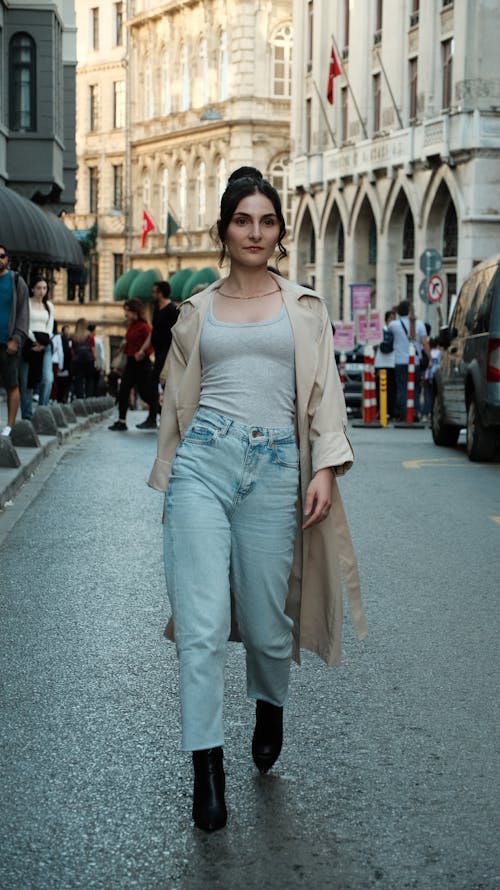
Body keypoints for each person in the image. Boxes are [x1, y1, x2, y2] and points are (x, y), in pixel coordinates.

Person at [148, 168, 367, 832]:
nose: (255, 232)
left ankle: (270, 703)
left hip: (276, 470)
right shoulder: (197, 310)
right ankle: (206, 769)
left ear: (278, 230)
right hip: (202, 467)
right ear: (224, 230)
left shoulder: (303, 306)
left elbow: (325, 390)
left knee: (271, 629)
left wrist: (324, 468)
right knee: (203, 627)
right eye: (243, 220)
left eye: (267, 221)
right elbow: (177, 392)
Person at [135, 281, 178, 430]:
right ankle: (158, 415)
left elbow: (177, 335)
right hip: (158, 352)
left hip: (168, 354)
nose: (152, 294)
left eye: (154, 292)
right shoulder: (156, 309)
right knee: (153, 386)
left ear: (160, 293)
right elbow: (153, 332)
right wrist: (142, 350)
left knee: (159, 385)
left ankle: (159, 417)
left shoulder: (172, 310)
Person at [108, 298, 153, 430]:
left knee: (145, 393)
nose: (125, 314)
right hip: (131, 362)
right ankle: (122, 421)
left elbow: (151, 344)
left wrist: (143, 353)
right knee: (123, 390)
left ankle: (161, 411)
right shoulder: (131, 325)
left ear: (134, 311)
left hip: (142, 363)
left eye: (127, 311)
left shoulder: (144, 326)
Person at [0, 244, 29, 436]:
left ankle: (9, 426)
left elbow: (23, 314)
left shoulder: (16, 281)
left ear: (7, 258)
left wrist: (16, 339)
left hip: (8, 343)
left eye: (1, 256)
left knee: (12, 384)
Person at [19, 277, 54, 420]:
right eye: (39, 288)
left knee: (47, 379)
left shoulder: (49, 306)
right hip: (29, 344)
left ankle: (42, 413)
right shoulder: (26, 303)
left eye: (44, 288)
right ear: (32, 289)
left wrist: (43, 343)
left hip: (44, 345)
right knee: (27, 381)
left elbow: (50, 326)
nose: (42, 291)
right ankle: (27, 417)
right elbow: (23, 323)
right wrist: (35, 341)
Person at [389, 299, 430, 421]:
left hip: (399, 361)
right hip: (415, 362)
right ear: (410, 311)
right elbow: (424, 343)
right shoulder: (419, 324)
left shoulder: (394, 325)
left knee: (401, 388)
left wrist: (394, 312)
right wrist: (430, 357)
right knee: (415, 388)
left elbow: (388, 325)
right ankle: (415, 411)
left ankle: (403, 413)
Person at [374, 309, 396, 419]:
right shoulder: (395, 331)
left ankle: (383, 411)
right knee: (388, 389)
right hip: (389, 363)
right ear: (386, 320)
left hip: (382, 363)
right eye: (391, 319)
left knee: (383, 389)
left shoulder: (380, 331)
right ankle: (386, 412)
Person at [71, 317, 96, 398]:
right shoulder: (90, 335)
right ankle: (89, 397)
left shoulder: (75, 336)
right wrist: (95, 358)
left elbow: (73, 350)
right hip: (88, 360)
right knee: (89, 380)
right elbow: (93, 348)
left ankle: (80, 398)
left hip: (78, 361)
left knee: (78, 380)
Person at [52, 323, 73, 403]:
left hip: (66, 365)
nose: (67, 332)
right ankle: (58, 398)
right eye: (66, 330)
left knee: (64, 383)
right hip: (60, 364)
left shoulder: (69, 340)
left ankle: (62, 398)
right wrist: (61, 366)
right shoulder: (59, 338)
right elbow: (61, 353)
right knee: (59, 383)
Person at [87, 323, 106, 395]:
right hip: (96, 365)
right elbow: (101, 355)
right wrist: (102, 366)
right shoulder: (98, 341)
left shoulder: (85, 340)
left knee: (89, 383)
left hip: (88, 364)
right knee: (95, 384)